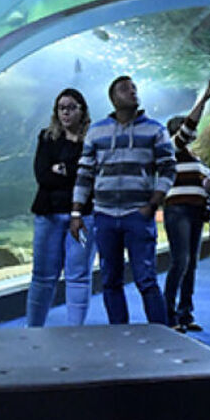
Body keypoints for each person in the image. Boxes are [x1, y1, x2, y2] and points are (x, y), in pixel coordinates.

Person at [70, 75, 175, 325]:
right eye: (125, 89)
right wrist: (76, 213)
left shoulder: (155, 129)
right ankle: (120, 334)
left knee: (146, 279)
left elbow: (169, 168)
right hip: (104, 215)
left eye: (134, 88)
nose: (132, 92)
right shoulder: (96, 130)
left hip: (137, 215)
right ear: (113, 98)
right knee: (110, 280)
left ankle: (161, 334)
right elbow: (84, 173)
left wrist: (152, 204)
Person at [25, 88, 97, 326]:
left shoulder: (92, 140)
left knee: (79, 276)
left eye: (71, 107)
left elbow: (91, 178)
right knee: (42, 276)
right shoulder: (47, 137)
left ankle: (75, 330)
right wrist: (72, 173)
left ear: (82, 110)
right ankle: (33, 328)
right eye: (61, 108)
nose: (65, 112)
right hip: (48, 216)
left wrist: (62, 169)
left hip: (85, 218)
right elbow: (42, 176)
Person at [163, 81, 210, 332]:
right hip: (178, 211)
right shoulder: (170, 149)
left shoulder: (194, 156)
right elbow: (188, 127)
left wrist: (207, 182)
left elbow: (203, 181)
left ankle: (186, 313)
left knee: (191, 263)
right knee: (180, 261)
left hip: (196, 211)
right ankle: (169, 314)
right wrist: (204, 99)